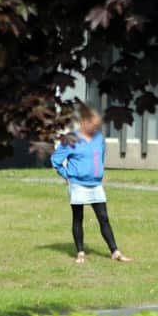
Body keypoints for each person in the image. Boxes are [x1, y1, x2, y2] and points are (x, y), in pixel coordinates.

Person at [50, 105, 132, 264]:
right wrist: (67, 176)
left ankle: (115, 251)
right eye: (93, 124)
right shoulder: (71, 139)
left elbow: (99, 158)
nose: (96, 127)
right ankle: (80, 252)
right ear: (84, 122)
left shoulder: (99, 138)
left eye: (97, 125)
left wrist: (98, 172)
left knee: (103, 218)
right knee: (78, 217)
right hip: (78, 185)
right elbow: (56, 160)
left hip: (95, 184)